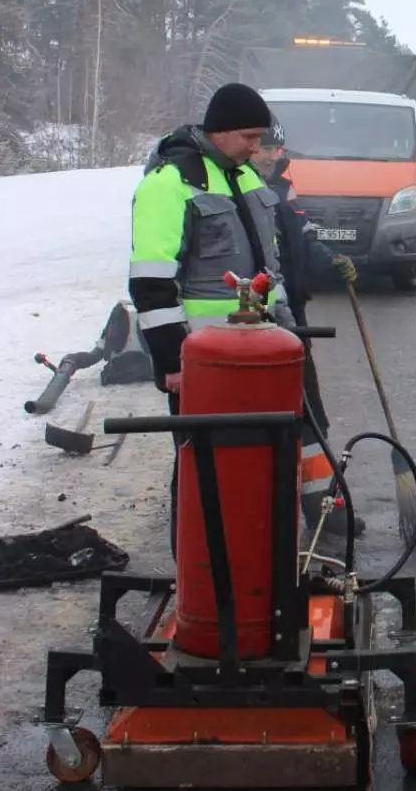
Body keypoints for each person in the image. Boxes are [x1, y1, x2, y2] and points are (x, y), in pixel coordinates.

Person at [127, 83, 340, 555]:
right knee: (201, 464)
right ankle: (198, 564)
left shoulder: (246, 179)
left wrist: (288, 331)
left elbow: (269, 270)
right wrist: (171, 362)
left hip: (265, 347)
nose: (255, 147)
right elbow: (151, 284)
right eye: (248, 136)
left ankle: (267, 552)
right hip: (204, 362)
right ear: (219, 130)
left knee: (267, 455)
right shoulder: (170, 185)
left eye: (259, 137)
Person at [249, 111, 364, 540]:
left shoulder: (281, 186)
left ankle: (322, 510)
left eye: (279, 148)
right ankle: (267, 514)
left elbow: (303, 235)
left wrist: (330, 259)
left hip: (291, 317)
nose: (275, 156)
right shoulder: (240, 191)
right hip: (254, 325)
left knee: (310, 416)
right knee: (276, 420)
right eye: (267, 148)